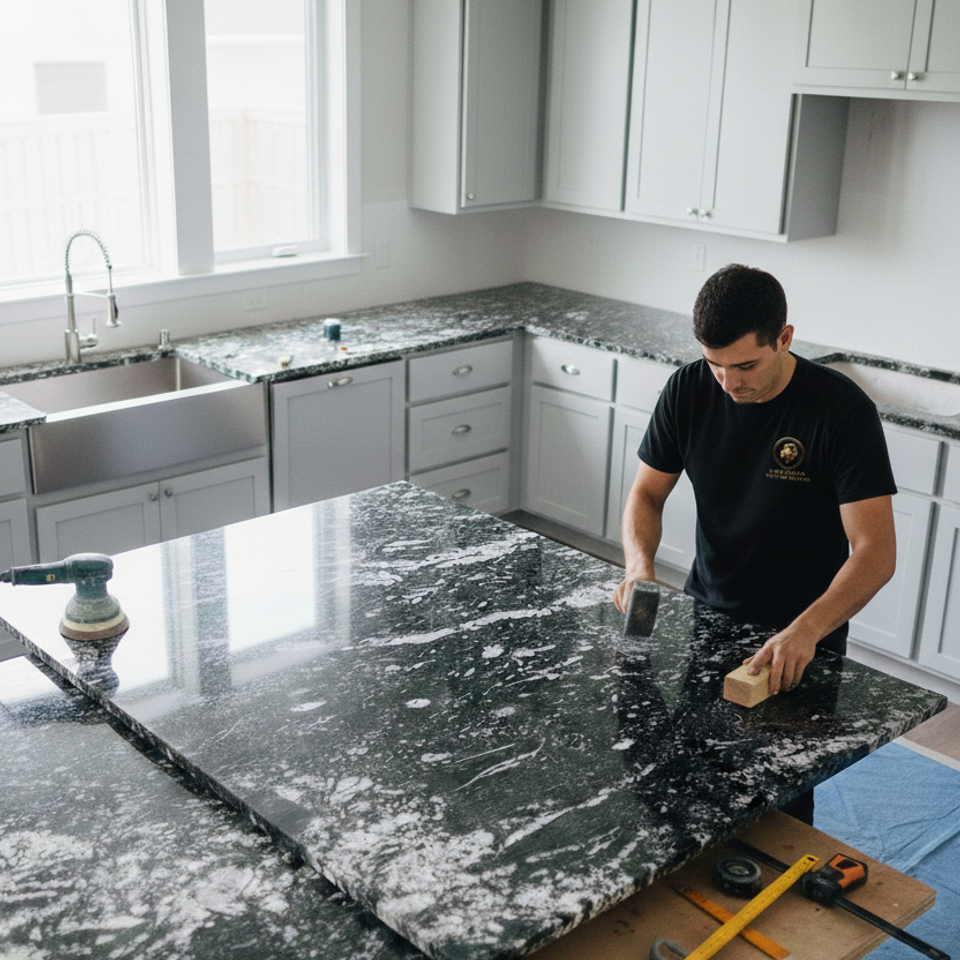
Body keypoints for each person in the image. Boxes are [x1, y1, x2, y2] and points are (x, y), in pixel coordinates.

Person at [613, 265, 897, 819]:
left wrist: (806, 630)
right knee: (688, 785)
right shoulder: (688, 389)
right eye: (714, 364)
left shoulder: (841, 412)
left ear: (784, 338)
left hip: (802, 639)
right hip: (708, 616)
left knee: (780, 807)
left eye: (745, 365)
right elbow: (646, 493)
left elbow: (876, 552)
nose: (728, 382)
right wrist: (639, 565)